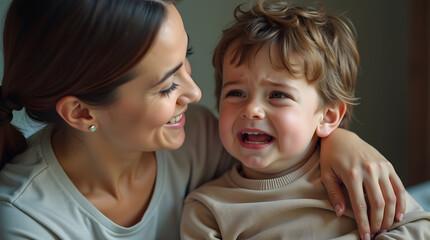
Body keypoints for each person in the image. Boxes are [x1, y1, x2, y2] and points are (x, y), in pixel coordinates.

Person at [0, 0, 405, 239]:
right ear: (82, 112)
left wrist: (338, 141)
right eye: (165, 87)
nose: (195, 94)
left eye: (185, 62)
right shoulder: (26, 221)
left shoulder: (198, 138)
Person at [180, 0, 430, 239]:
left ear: (328, 116)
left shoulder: (353, 177)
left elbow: (420, 229)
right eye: (236, 93)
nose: (252, 109)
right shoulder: (207, 210)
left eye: (277, 95)